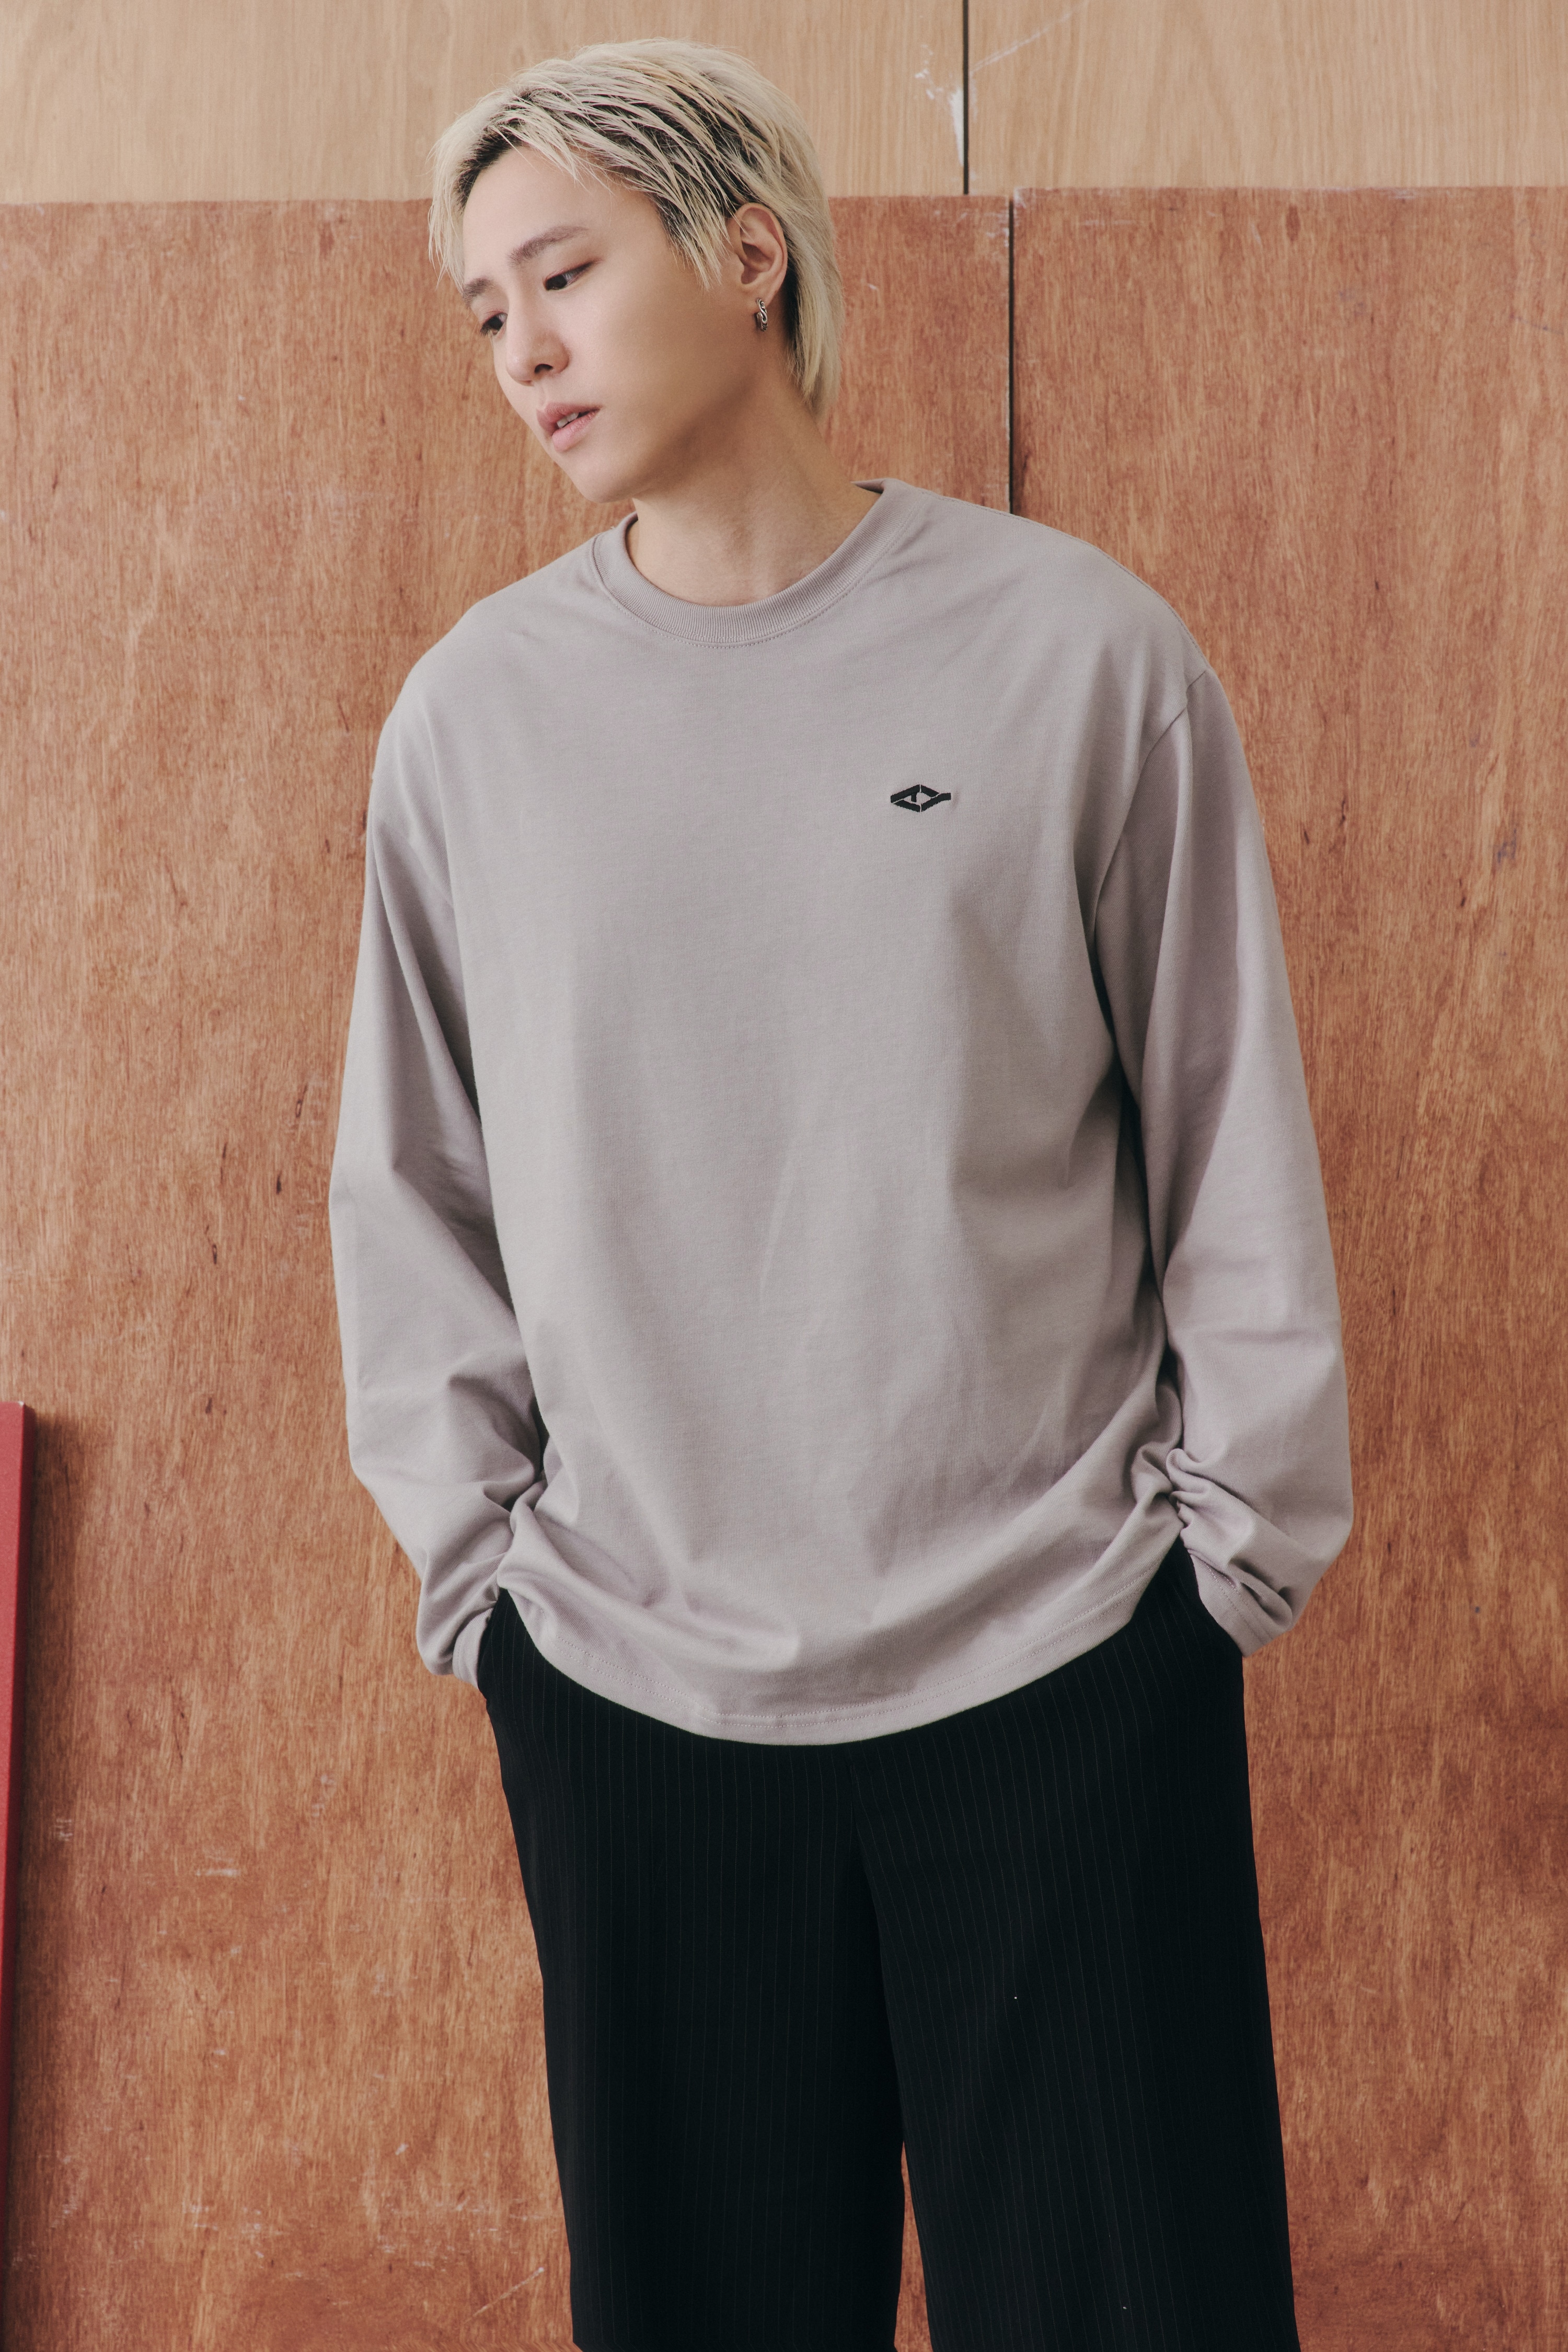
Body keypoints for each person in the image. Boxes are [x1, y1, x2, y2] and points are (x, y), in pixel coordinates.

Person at [328, 38, 1353, 2352]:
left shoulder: (1078, 654)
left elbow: (1225, 1121)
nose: (523, 352)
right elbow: (410, 1185)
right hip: (634, 1695)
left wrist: (1228, 1560)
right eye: (485, 311)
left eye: (563, 274)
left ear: (745, 251)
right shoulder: (473, 725)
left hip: (1070, 1667)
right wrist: (486, 1588)